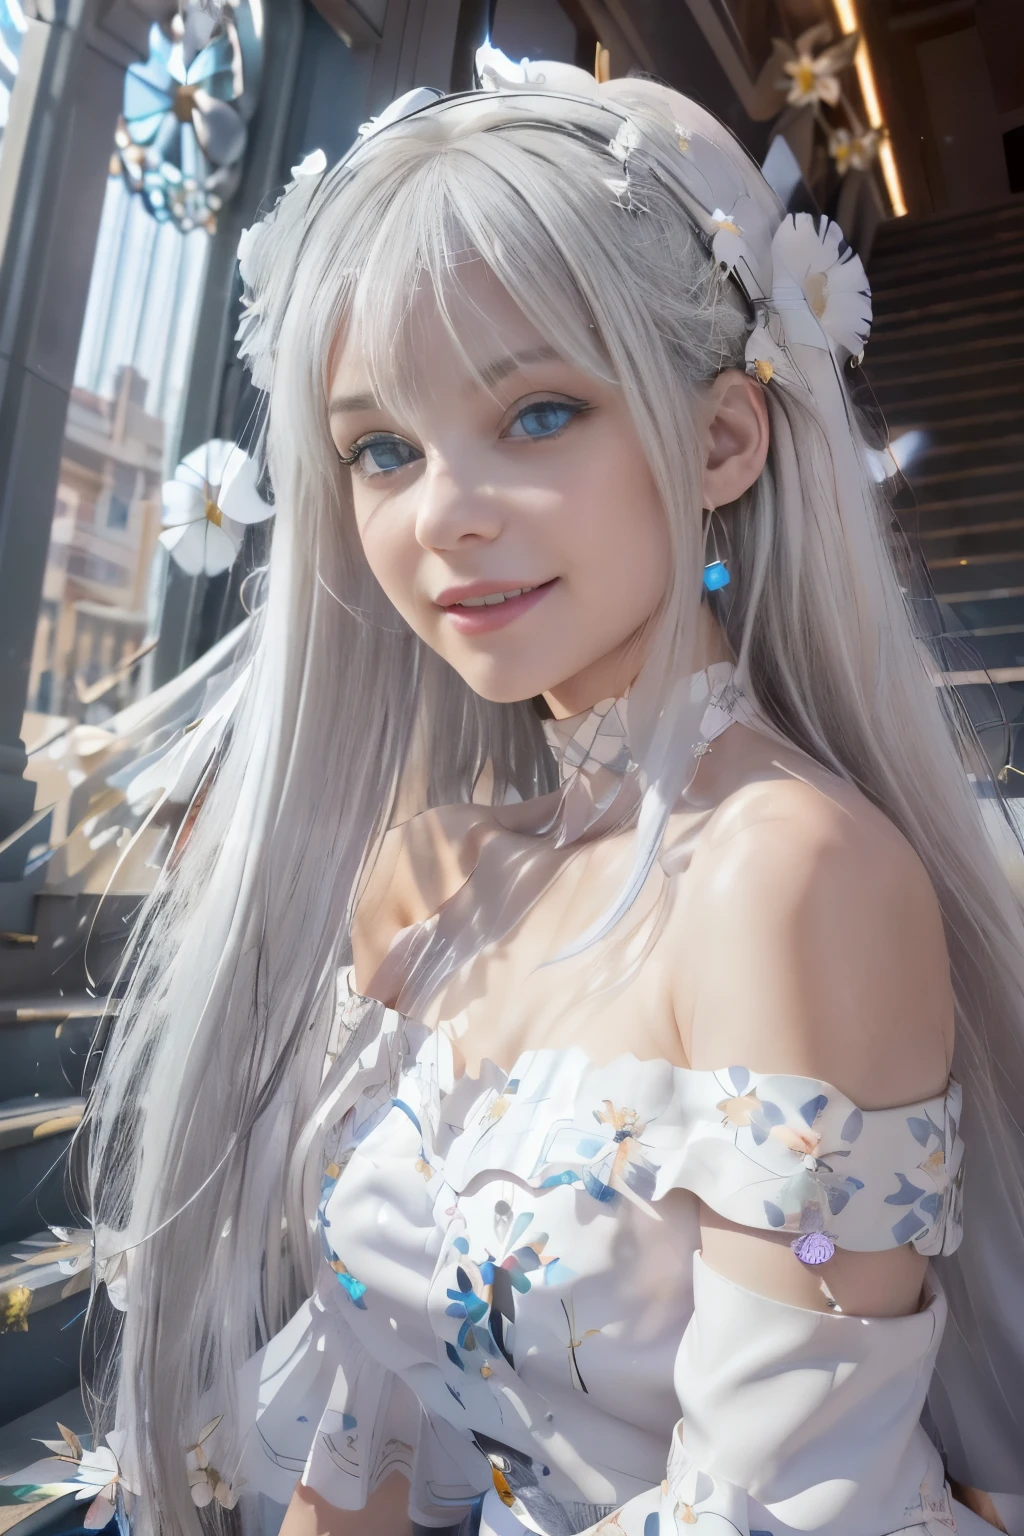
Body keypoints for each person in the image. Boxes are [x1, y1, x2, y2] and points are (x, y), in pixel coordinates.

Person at [82, 45, 1024, 1536]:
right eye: (382, 449)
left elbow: (780, 1510)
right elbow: (364, 1395)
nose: (441, 516)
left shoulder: (796, 879)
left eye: (535, 415)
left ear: (722, 439)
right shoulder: (430, 873)